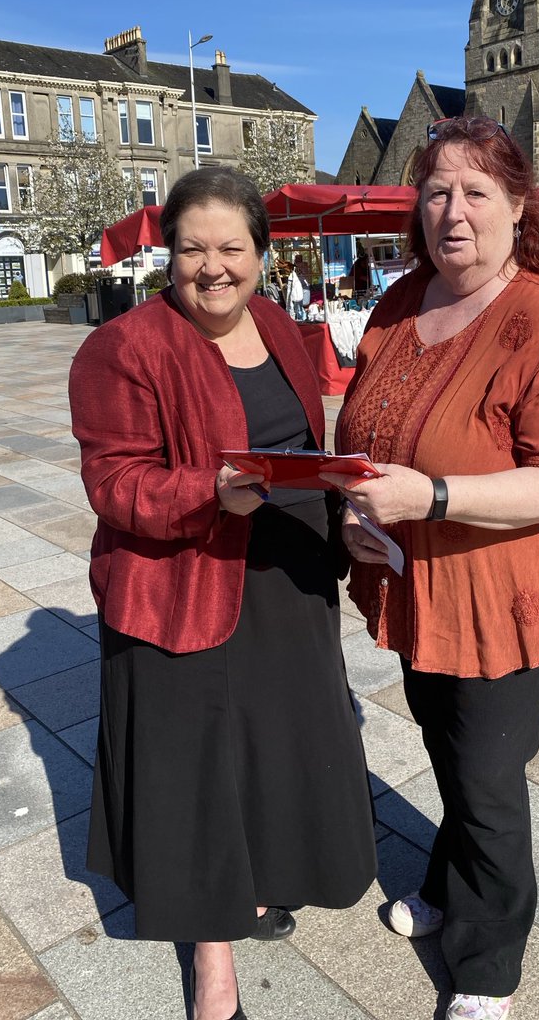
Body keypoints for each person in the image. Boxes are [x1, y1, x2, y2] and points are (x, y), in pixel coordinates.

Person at [322, 116, 539, 1020]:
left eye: (476, 192)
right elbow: (361, 441)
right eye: (437, 189)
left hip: (510, 585)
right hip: (417, 579)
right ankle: (450, 886)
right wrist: (354, 515)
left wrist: (433, 498)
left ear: (517, 207)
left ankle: (487, 970)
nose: (454, 210)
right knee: (450, 748)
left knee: (487, 779)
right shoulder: (400, 300)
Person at [68, 167, 376, 1020]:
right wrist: (210, 490)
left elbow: (301, 438)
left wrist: (342, 511)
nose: (213, 266)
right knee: (198, 768)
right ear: (167, 254)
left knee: (274, 745)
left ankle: (266, 876)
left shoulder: (279, 325)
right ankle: (212, 960)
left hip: (289, 577)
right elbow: (116, 485)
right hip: (185, 581)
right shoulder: (121, 348)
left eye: (232, 247)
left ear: (262, 255)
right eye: (193, 248)